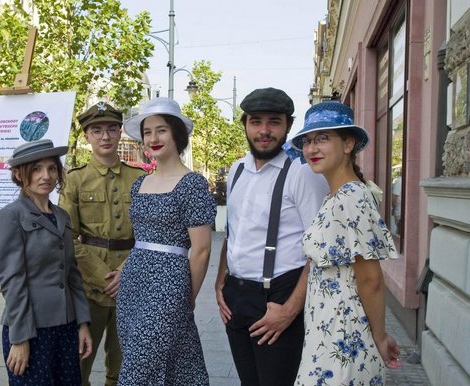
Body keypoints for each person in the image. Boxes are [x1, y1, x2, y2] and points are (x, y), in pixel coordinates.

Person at [214, 88, 329, 386]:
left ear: (288, 126)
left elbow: (319, 252)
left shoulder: (303, 174)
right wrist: (220, 282)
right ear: (245, 124)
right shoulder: (237, 169)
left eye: (274, 122)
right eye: (256, 121)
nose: (264, 131)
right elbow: (233, 231)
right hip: (237, 296)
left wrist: (290, 310)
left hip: (278, 295)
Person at [289, 101, 401, 385]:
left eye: (323, 139)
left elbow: (371, 279)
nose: (312, 148)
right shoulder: (336, 197)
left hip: (344, 334)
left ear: (348, 143)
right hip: (326, 331)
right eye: (308, 141)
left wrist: (379, 336)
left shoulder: (352, 198)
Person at [117, 97, 216, 385]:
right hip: (134, 285)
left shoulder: (193, 183)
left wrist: (188, 298)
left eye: (161, 130)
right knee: (173, 359)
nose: (153, 138)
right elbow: (140, 239)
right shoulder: (140, 183)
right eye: (147, 132)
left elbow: (201, 249)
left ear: (176, 134)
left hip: (169, 282)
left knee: (138, 368)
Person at [0, 139, 93, 385]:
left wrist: (82, 323)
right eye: (36, 169)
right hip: (31, 330)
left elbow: (72, 276)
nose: (46, 175)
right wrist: (20, 338)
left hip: (66, 327)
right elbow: (12, 282)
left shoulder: (61, 216)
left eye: (51, 168)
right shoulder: (10, 216)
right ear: (19, 174)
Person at [59, 102, 146, 386]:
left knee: (124, 366)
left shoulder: (140, 179)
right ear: (87, 136)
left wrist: (125, 272)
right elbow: (67, 236)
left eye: (111, 129)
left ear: (120, 132)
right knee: (79, 362)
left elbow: (149, 233)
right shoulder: (75, 179)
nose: (105, 136)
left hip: (131, 285)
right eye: (97, 130)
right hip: (89, 289)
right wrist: (102, 276)